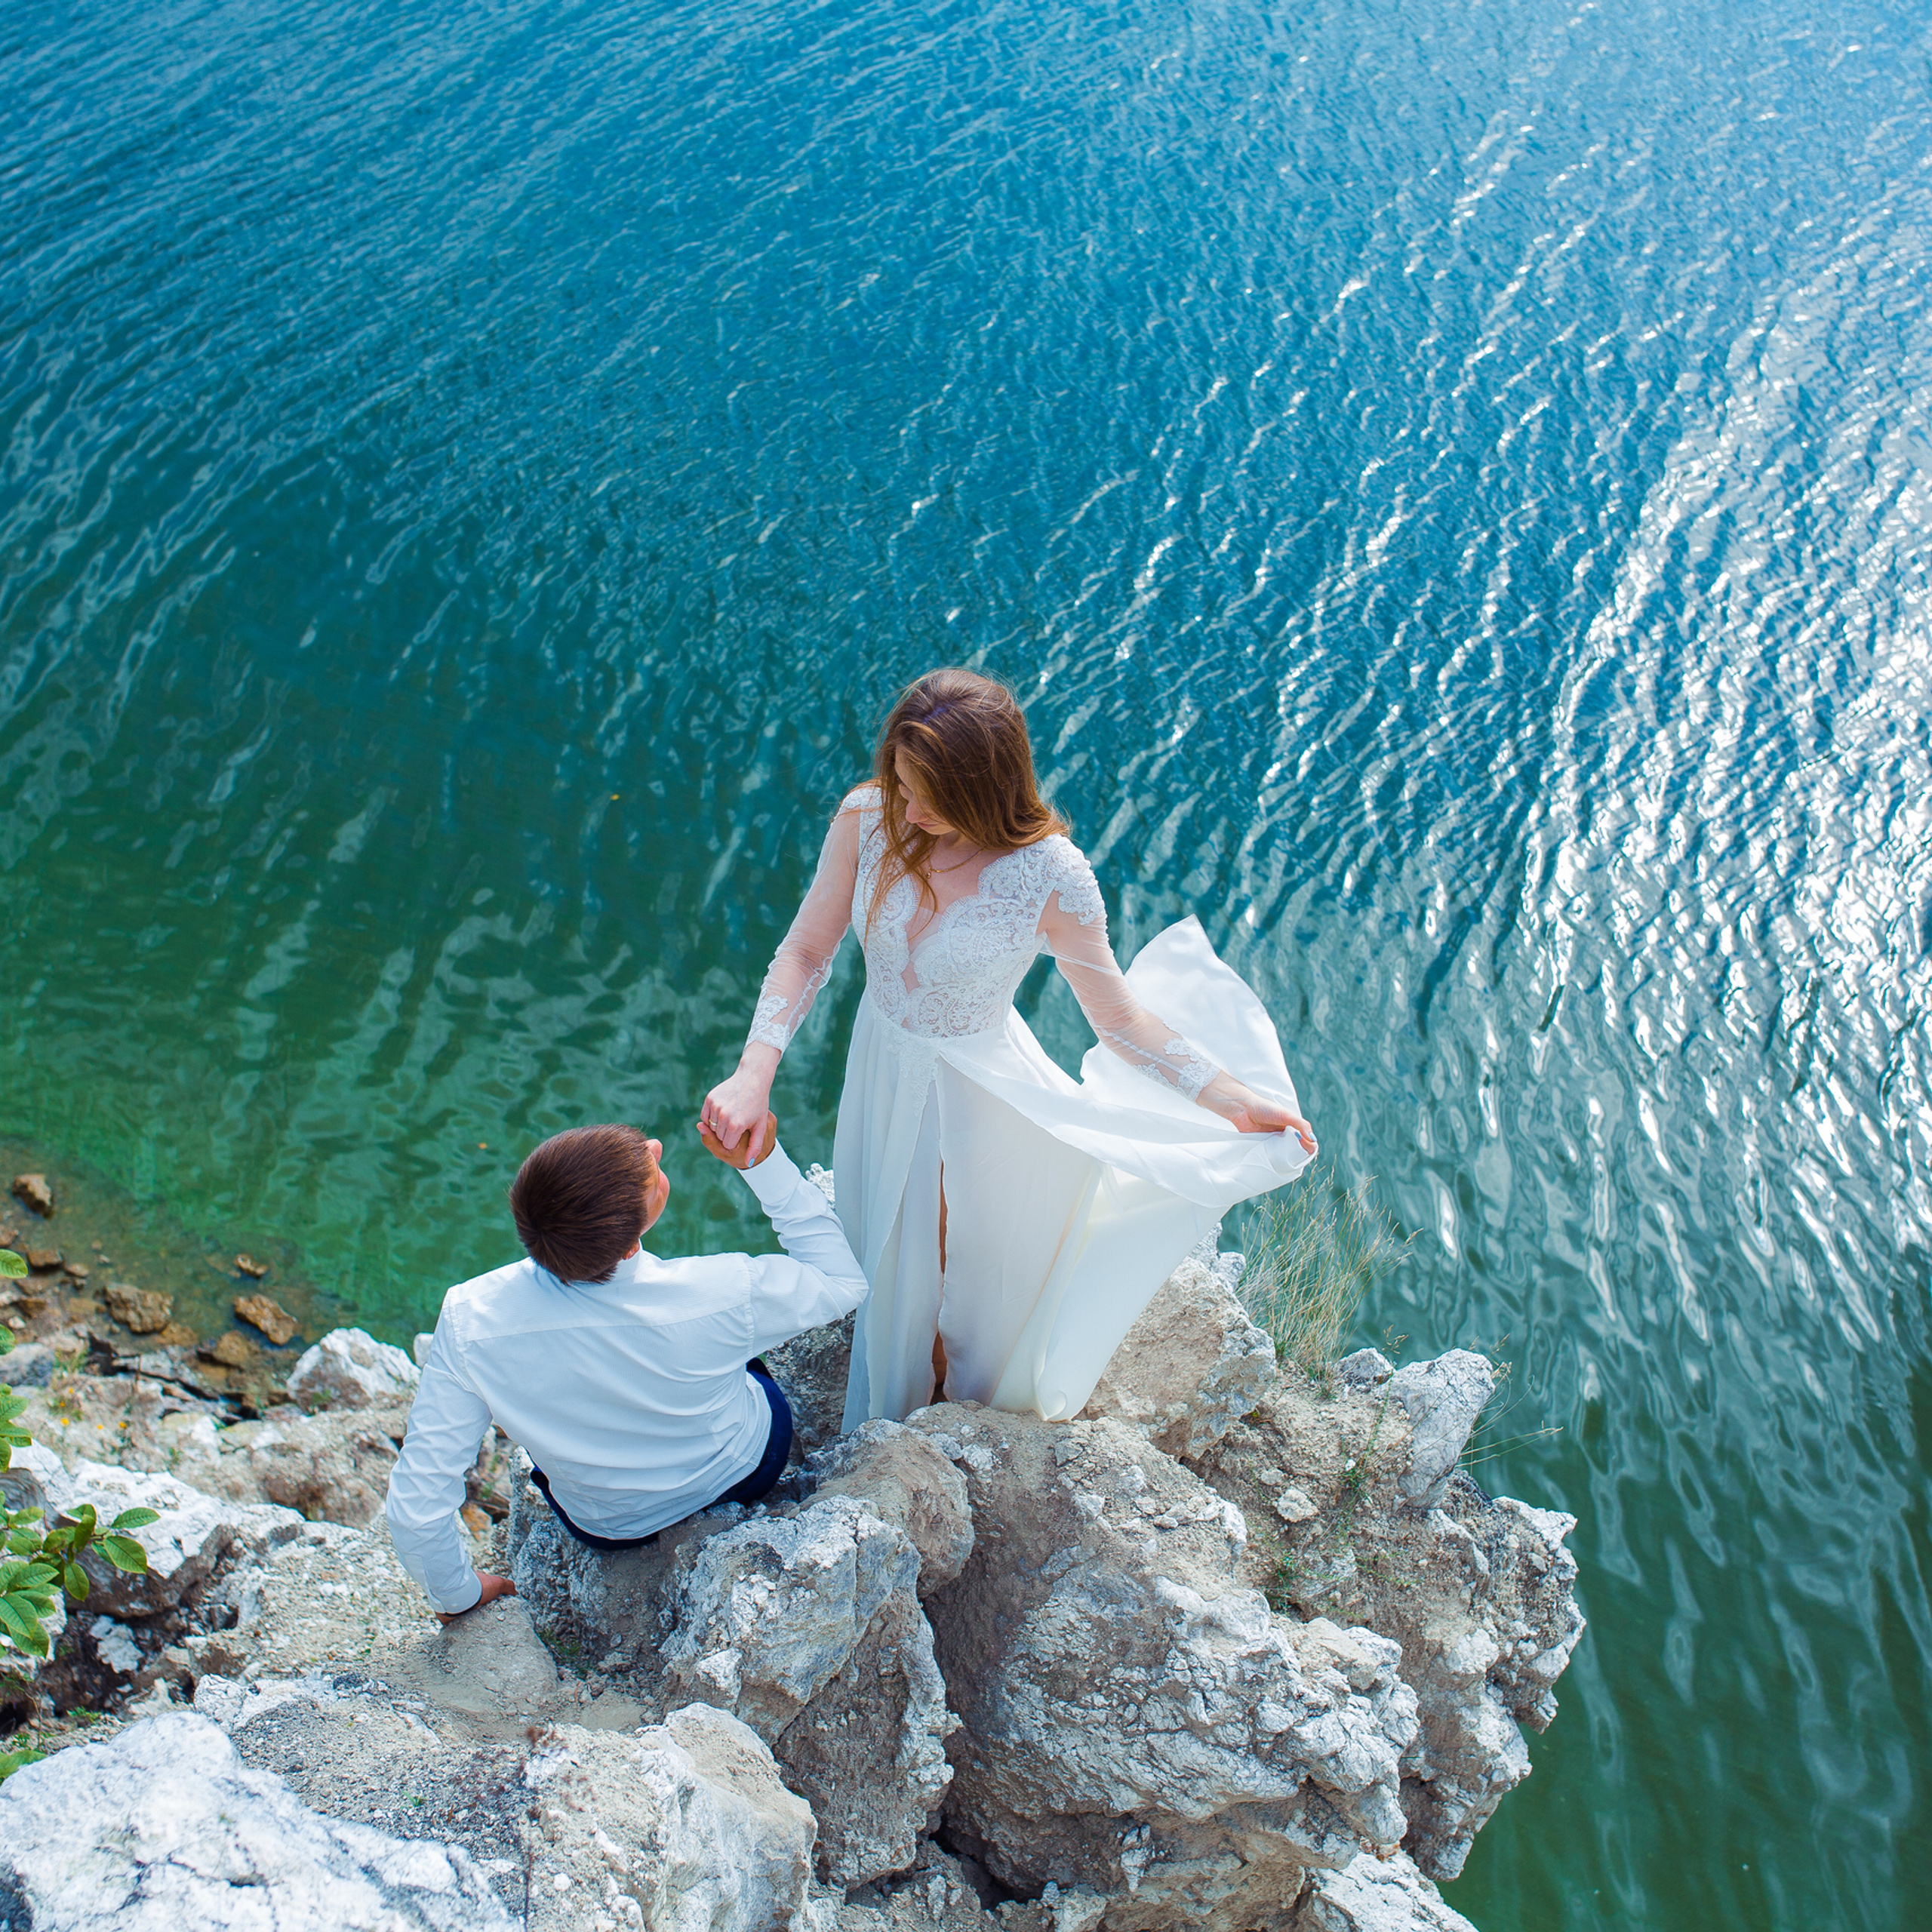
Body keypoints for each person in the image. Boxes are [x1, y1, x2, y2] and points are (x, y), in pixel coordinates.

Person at [701, 667, 1318, 1431]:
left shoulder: (1052, 876)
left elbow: (1119, 1020)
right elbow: (805, 952)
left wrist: (1233, 1099)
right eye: (900, 782)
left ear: (985, 786)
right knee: (890, 1258)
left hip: (987, 1098)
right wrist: (752, 1072)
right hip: (885, 1073)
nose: (912, 809)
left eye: (932, 793)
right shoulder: (868, 818)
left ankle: (958, 1429)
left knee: (977, 1284)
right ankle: (897, 1421)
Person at [385, 1109, 863, 1622]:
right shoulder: (720, 1292)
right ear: (633, 1237)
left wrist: (457, 1593)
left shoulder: (468, 1319)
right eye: (647, 1168)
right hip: (742, 1469)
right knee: (742, 1350)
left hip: (609, 1526)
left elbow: (417, 1508)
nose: (655, 1147)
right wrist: (762, 1160)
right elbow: (844, 1283)